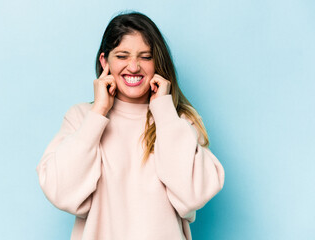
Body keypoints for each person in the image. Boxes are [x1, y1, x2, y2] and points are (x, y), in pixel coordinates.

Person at [36, 11, 225, 240]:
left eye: (145, 57)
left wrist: (164, 111)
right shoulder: (82, 118)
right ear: (105, 61)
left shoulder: (179, 121)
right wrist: (98, 113)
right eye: (122, 56)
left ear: (157, 63)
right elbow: (62, 192)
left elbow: (193, 196)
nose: (134, 67)